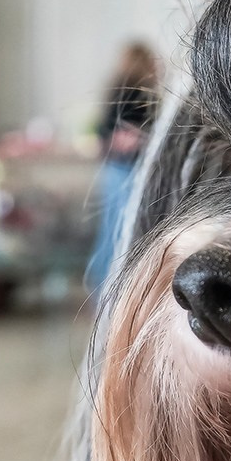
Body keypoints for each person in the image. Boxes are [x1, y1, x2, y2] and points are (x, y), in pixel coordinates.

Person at [87, 41, 161, 297]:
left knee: (110, 228)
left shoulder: (116, 89)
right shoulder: (138, 92)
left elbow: (102, 132)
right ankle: (111, 290)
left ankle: (102, 289)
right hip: (127, 170)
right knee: (122, 231)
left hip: (113, 168)